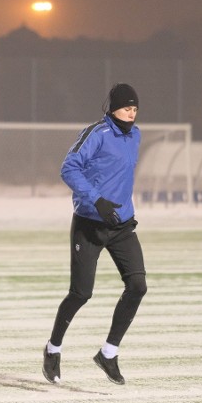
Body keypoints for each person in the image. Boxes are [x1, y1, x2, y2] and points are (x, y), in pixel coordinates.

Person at [42, 83, 147, 386]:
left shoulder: (135, 135)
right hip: (89, 224)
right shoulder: (96, 134)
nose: (132, 113)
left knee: (138, 285)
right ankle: (53, 349)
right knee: (81, 294)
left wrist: (124, 209)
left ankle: (109, 353)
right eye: (127, 107)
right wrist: (96, 200)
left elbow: (121, 178)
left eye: (135, 108)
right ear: (112, 108)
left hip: (122, 225)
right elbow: (68, 168)